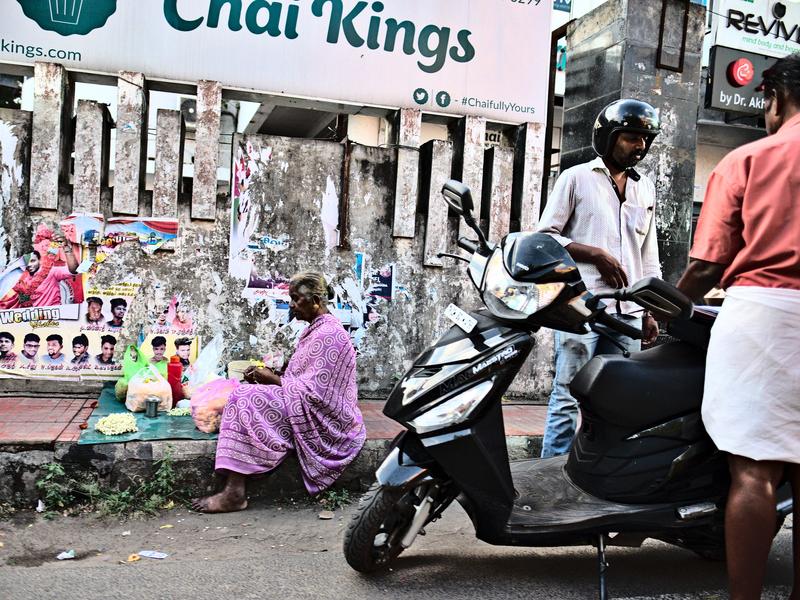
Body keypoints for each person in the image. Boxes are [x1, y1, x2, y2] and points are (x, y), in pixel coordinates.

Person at [676, 54, 800, 600]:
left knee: (755, 474)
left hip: (764, 319)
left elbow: (706, 266)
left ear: (776, 99)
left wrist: (664, 308)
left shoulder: (748, 160)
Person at [536, 98, 662, 458]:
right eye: (631, 137)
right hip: (582, 309)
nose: (639, 146)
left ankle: (601, 472)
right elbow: (545, 237)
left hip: (630, 314)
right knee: (567, 394)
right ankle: (551, 471)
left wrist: (650, 311)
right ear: (608, 138)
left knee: (617, 401)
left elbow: (648, 256)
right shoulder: (576, 179)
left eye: (645, 139)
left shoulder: (645, 189)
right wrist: (593, 253)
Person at [192, 271, 366, 513]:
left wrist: (271, 379)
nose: (292, 305)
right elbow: (301, 377)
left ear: (316, 301)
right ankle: (234, 488)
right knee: (244, 394)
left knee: (243, 398)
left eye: (296, 299)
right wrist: (273, 375)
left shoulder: (330, 334)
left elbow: (317, 394)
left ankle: (234, 491)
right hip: (302, 402)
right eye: (290, 298)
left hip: (324, 418)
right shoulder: (315, 329)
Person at [0, 233, 79, 308]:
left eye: (33, 261)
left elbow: (73, 270)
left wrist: (66, 248)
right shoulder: (20, 280)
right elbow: (24, 304)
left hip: (54, 318)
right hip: (33, 319)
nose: (29, 265)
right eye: (26, 262)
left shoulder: (51, 271)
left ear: (39, 261)